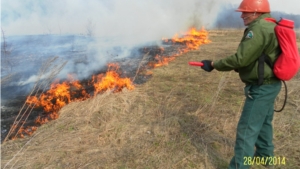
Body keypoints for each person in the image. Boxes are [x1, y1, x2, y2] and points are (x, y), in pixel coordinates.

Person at [200, 0, 282, 168]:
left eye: (246, 12)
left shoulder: (258, 29)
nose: (242, 15)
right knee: (264, 124)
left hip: (261, 88)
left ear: (257, 12)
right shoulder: (270, 24)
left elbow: (241, 59)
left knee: (246, 130)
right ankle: (266, 159)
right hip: (271, 84)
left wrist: (214, 64)